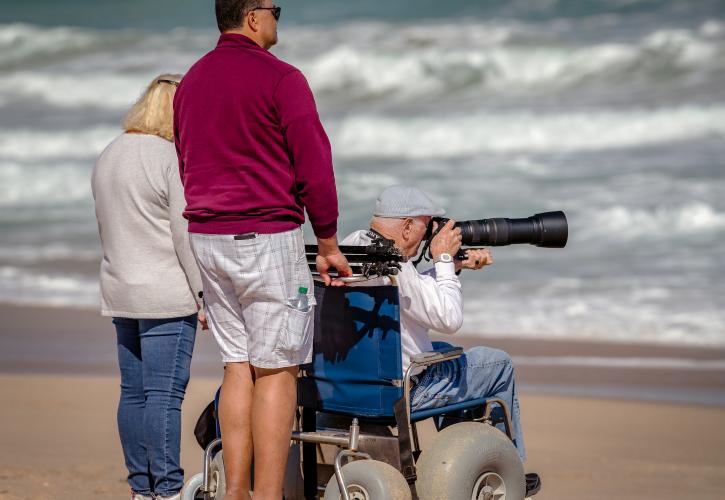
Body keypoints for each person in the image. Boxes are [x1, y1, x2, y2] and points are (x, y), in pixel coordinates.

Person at [173, 1, 351, 498]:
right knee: (277, 369)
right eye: (276, 9)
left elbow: (187, 159)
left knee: (236, 364)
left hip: (207, 236)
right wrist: (329, 240)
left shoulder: (190, 82)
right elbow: (315, 164)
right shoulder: (281, 78)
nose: (279, 19)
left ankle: (236, 492)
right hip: (264, 237)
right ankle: (268, 495)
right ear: (253, 16)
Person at [342, 185, 541, 495]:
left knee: (447, 353)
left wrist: (449, 268)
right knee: (496, 363)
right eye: (426, 226)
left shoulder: (352, 248)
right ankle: (509, 466)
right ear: (407, 226)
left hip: (350, 385)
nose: (428, 235)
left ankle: (463, 456)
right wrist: (444, 257)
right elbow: (449, 319)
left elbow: (407, 294)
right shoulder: (396, 264)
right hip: (401, 389)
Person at [91, 74, 206, 500]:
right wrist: (203, 294)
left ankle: (141, 488)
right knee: (164, 395)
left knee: (134, 394)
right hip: (165, 293)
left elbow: (107, 224)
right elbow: (183, 233)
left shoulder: (109, 153)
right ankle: (169, 489)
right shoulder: (169, 157)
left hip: (120, 289)